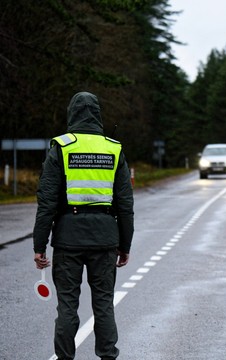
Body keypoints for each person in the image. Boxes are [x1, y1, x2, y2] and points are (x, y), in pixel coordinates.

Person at [33, 91, 134, 360]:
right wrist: (125, 245)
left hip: (68, 240)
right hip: (105, 240)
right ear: (98, 114)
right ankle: (108, 357)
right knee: (103, 304)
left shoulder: (62, 147)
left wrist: (39, 246)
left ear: (72, 113)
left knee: (67, 305)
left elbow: (47, 202)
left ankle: (65, 358)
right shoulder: (113, 148)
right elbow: (125, 204)